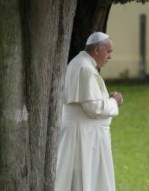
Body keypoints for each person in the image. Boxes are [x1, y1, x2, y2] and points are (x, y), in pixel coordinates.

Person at [55, 32, 123, 191]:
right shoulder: (84, 68)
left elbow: (90, 100)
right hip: (84, 136)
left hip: (85, 134)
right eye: (109, 51)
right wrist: (114, 102)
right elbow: (93, 108)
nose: (110, 56)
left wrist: (108, 99)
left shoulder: (82, 63)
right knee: (86, 181)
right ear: (97, 50)